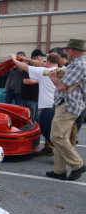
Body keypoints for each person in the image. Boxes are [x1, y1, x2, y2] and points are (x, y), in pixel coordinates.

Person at [46, 39, 86, 181]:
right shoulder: (77, 63)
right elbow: (67, 81)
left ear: (73, 50)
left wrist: (52, 77)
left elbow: (62, 86)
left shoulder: (80, 65)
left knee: (57, 137)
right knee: (61, 138)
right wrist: (59, 74)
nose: (66, 52)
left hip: (68, 105)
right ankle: (59, 170)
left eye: (67, 50)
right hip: (69, 104)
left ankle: (78, 165)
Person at [9, 53, 60, 157]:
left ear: (48, 62)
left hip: (48, 108)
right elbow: (40, 64)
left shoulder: (45, 72)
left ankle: (65, 156)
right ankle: (59, 155)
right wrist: (26, 58)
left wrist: (14, 60)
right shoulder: (60, 70)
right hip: (58, 106)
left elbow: (25, 67)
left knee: (50, 134)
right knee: (56, 134)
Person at [21, 49, 44, 122]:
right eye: (42, 57)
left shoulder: (39, 67)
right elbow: (26, 81)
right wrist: (40, 79)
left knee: (35, 118)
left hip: (37, 98)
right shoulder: (27, 67)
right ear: (39, 57)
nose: (42, 60)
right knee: (29, 119)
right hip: (29, 98)